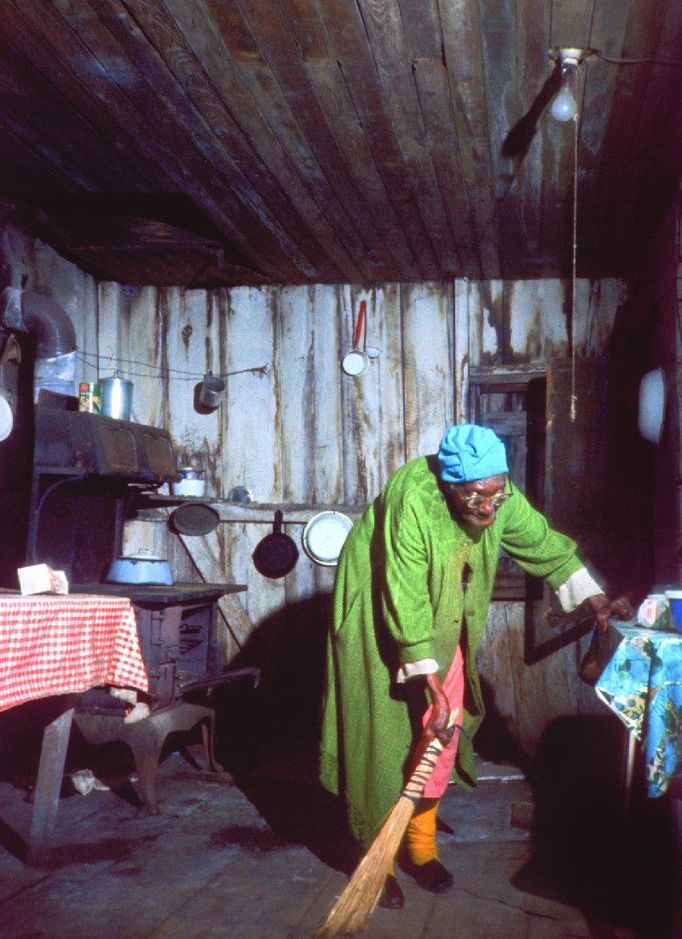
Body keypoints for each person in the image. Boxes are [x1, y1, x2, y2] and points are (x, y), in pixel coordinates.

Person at [319, 423, 632, 910]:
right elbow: (402, 591)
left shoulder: (495, 492)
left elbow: (540, 540)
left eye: (496, 494)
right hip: (377, 616)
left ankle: (420, 847)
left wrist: (595, 598)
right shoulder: (414, 499)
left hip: (436, 617)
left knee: (442, 731)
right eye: (476, 498)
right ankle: (373, 858)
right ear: (449, 484)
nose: (489, 507)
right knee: (381, 739)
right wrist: (426, 676)